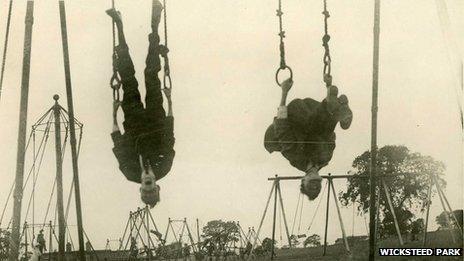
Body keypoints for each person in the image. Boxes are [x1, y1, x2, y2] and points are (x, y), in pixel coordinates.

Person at [107, 0, 175, 208]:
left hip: (134, 122)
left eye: (145, 188)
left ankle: (119, 23)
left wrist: (114, 113)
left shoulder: (129, 172)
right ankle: (155, 21)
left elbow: (118, 142)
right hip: (155, 119)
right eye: (151, 187)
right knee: (149, 73)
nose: (147, 184)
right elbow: (170, 133)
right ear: (157, 186)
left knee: (127, 77)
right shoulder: (164, 166)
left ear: (140, 188)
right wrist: (169, 99)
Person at [264, 78, 352, 200]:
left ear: (303, 181)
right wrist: (328, 85)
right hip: (315, 110)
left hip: (296, 115)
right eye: (318, 187)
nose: (315, 186)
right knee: (322, 142)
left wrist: (284, 92)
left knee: (310, 129)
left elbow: (281, 126)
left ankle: (333, 109)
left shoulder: (294, 156)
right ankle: (334, 109)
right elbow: (328, 134)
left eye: (310, 187)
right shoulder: (326, 158)